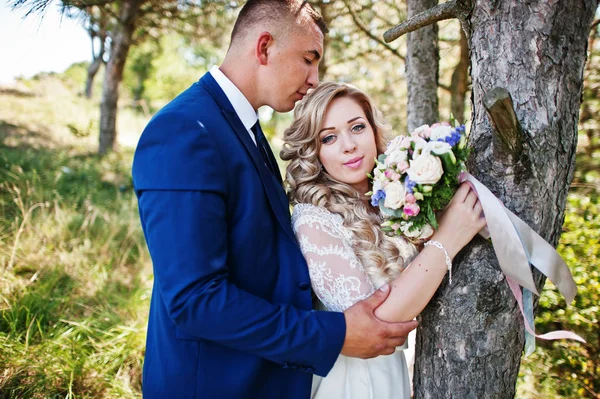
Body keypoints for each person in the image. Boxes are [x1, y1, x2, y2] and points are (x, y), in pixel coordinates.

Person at [131, 1, 418, 398]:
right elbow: (194, 300)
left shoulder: (243, 128)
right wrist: (333, 334)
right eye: (308, 58)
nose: (315, 78)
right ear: (264, 47)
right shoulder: (185, 130)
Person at [280, 82, 487, 398]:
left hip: (394, 373)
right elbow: (374, 322)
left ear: (374, 131)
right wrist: (449, 236)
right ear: (314, 152)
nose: (348, 145)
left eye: (357, 127)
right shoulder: (313, 219)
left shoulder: (395, 201)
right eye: (329, 137)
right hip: (351, 381)